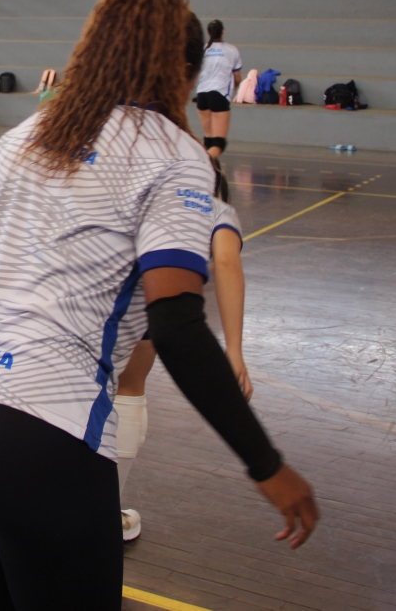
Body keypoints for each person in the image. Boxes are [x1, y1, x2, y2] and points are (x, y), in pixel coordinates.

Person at [0, 0, 316, 611]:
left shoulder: (30, 135)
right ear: (181, 70)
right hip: (40, 431)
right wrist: (266, 464)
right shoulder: (179, 157)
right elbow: (176, 323)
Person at [116, 164, 251, 542]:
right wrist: (234, 350)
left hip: (82, 304)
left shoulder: (138, 186)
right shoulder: (214, 208)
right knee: (129, 389)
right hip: (144, 308)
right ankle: (104, 508)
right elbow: (226, 260)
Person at [193, 19, 242, 159]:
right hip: (219, 94)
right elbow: (237, 77)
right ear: (223, 31)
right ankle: (204, 169)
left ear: (208, 32)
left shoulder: (202, 49)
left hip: (202, 95)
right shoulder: (232, 50)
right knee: (219, 143)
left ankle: (202, 165)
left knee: (208, 140)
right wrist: (233, 89)